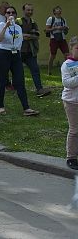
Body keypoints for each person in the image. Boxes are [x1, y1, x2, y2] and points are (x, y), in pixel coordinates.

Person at [0, 5, 39, 116]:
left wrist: (17, 52)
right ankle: (1, 106)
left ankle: (26, 108)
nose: (11, 14)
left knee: (20, 81)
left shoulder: (18, 28)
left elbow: (19, 42)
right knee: (3, 80)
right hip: (2, 54)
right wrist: (6, 26)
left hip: (15, 55)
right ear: (5, 15)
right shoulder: (0, 25)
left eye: (13, 13)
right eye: (8, 12)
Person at [20, 3, 51, 98]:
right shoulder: (18, 21)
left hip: (30, 51)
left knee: (35, 70)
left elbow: (37, 36)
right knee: (10, 69)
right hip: (19, 50)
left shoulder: (34, 22)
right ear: (24, 10)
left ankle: (39, 89)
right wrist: (27, 35)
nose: (30, 12)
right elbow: (17, 35)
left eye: (31, 10)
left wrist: (28, 36)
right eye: (28, 10)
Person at [61, 37, 78, 170]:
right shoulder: (67, 64)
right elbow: (67, 83)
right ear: (71, 49)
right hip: (72, 101)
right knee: (74, 129)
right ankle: (71, 157)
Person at [47, 6, 70, 75]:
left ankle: (68, 70)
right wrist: (56, 28)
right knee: (53, 55)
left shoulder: (63, 20)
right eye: (57, 10)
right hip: (54, 38)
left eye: (60, 9)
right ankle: (49, 71)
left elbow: (66, 32)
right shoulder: (51, 19)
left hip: (62, 38)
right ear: (54, 12)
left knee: (67, 54)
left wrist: (66, 28)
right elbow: (47, 29)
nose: (59, 11)